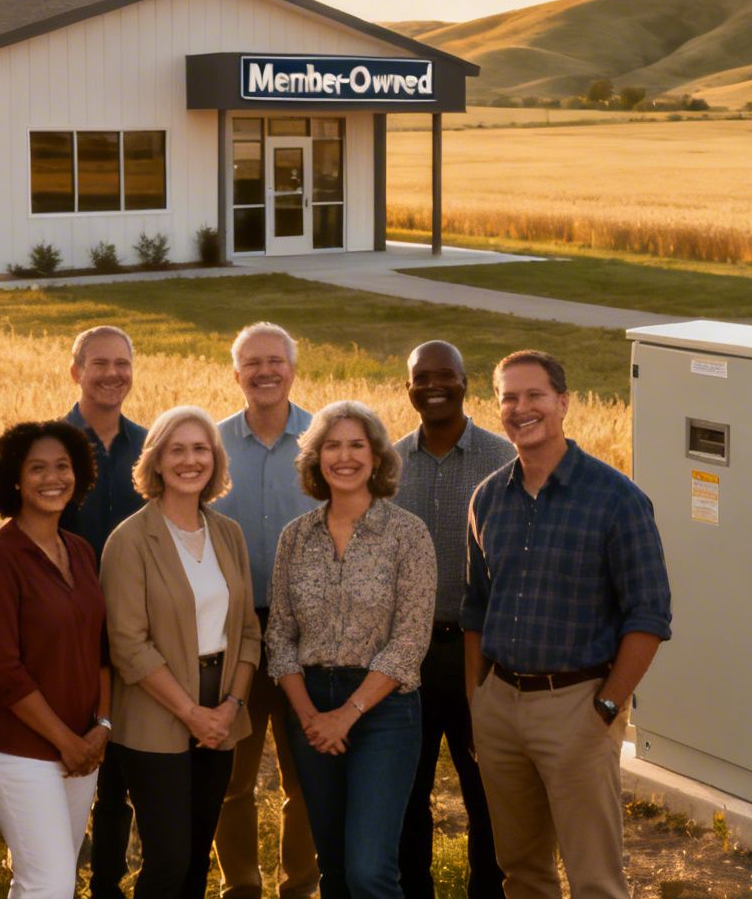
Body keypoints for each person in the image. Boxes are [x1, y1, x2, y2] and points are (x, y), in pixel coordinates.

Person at [462, 351, 672, 899]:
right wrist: (478, 702)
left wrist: (607, 706)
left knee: (595, 879)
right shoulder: (487, 498)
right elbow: (476, 610)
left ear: (563, 402)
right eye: (509, 397)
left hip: (577, 707)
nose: (521, 408)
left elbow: (648, 615)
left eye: (534, 395)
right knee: (522, 871)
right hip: (500, 707)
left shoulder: (617, 499)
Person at [268, 401, 433, 899]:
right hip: (311, 706)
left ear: (378, 457)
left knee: (369, 872)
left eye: (356, 445)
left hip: (384, 711)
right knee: (334, 870)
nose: (344, 456)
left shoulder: (408, 535)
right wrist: (311, 716)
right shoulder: (295, 538)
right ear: (316, 459)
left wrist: (347, 714)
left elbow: (410, 640)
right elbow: (279, 635)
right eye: (332, 446)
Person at [101, 406, 263, 899]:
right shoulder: (129, 540)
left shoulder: (227, 534)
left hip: (223, 711)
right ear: (156, 461)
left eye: (201, 450)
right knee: (168, 861)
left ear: (214, 460)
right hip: (157, 713)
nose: (190, 461)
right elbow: (129, 646)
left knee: (196, 859)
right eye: (177, 449)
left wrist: (229, 707)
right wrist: (192, 713)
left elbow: (249, 633)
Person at [0, 421, 112, 899]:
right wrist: (66, 741)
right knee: (47, 882)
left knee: (51, 880)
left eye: (63, 466)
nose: (53, 478)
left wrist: (102, 726)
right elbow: (2, 673)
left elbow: (100, 650)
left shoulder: (81, 551)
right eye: (38, 468)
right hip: (16, 748)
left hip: (81, 744)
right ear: (14, 479)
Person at [390, 342, 514, 899]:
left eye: (446, 376)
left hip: (478, 653)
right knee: (406, 793)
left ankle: (486, 889)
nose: (434, 386)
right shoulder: (388, 466)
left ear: (467, 383)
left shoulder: (502, 459)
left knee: (486, 788)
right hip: (408, 655)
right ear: (408, 387)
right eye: (422, 378)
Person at [213, 322, 319, 899]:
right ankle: (241, 888)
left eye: (275, 361)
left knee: (306, 778)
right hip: (236, 635)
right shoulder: (211, 442)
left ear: (292, 370)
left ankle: (299, 885)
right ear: (237, 374)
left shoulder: (325, 437)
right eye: (252, 363)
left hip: (309, 636)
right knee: (234, 777)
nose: (265, 371)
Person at [61, 326, 148, 899]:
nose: (112, 374)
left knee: (119, 773)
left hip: (136, 632)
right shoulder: (51, 445)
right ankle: (54, 878)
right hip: (67, 633)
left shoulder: (152, 444)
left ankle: (109, 886)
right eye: (100, 364)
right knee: (65, 767)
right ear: (76, 372)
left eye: (122, 364)